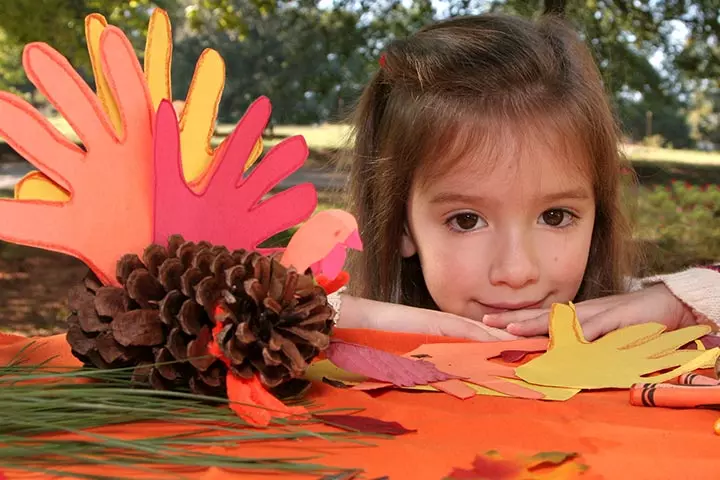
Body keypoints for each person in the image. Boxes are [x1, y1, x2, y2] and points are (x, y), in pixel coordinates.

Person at [329, 13, 720, 342]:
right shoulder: (345, 322)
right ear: (402, 225)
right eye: (466, 220)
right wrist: (374, 323)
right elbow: (272, 310)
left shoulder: (631, 314)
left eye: (555, 216)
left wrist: (680, 302)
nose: (516, 273)